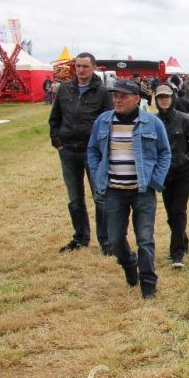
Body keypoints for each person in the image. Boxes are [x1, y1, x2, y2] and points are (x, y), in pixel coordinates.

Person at [88, 79, 171, 299]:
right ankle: (129, 264)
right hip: (113, 191)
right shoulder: (102, 122)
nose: (117, 100)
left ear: (137, 99)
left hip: (142, 191)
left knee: (145, 239)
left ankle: (148, 283)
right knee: (114, 240)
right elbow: (93, 151)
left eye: (123, 96)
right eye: (115, 95)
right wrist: (98, 177)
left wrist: (155, 181)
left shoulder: (152, 123)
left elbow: (165, 153)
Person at [48, 53, 113, 254]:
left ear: (94, 67)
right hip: (68, 151)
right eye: (78, 66)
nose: (81, 70)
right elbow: (54, 118)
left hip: (92, 152)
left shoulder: (102, 92)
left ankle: (106, 241)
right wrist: (58, 142)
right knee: (75, 198)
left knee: (100, 196)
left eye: (85, 66)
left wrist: (103, 149)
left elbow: (110, 122)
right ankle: (80, 237)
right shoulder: (64, 89)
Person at [154, 84, 189, 268]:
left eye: (167, 96)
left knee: (179, 210)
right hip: (164, 176)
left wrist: (185, 160)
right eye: (160, 97)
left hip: (182, 173)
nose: (164, 100)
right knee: (170, 213)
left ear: (172, 98)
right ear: (156, 100)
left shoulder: (184, 119)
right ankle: (183, 241)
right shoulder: (154, 121)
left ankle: (177, 253)